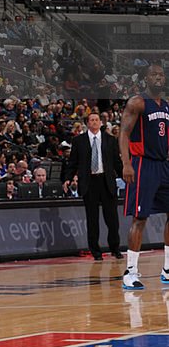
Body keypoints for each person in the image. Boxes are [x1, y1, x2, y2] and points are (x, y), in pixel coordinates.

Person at [119, 62, 169, 289]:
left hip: (163, 165)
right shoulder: (137, 102)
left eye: (161, 75)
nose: (159, 78)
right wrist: (127, 163)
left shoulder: (166, 106)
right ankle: (131, 272)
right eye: (154, 75)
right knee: (140, 218)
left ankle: (167, 269)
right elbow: (124, 134)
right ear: (146, 78)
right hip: (142, 165)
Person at [63, 112, 122, 262]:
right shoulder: (78, 141)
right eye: (92, 120)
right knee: (92, 220)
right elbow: (73, 163)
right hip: (89, 182)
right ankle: (96, 252)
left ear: (101, 123)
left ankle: (115, 248)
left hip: (106, 181)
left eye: (97, 120)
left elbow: (117, 162)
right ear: (87, 123)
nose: (95, 122)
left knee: (112, 220)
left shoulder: (110, 140)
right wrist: (67, 179)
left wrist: (126, 176)